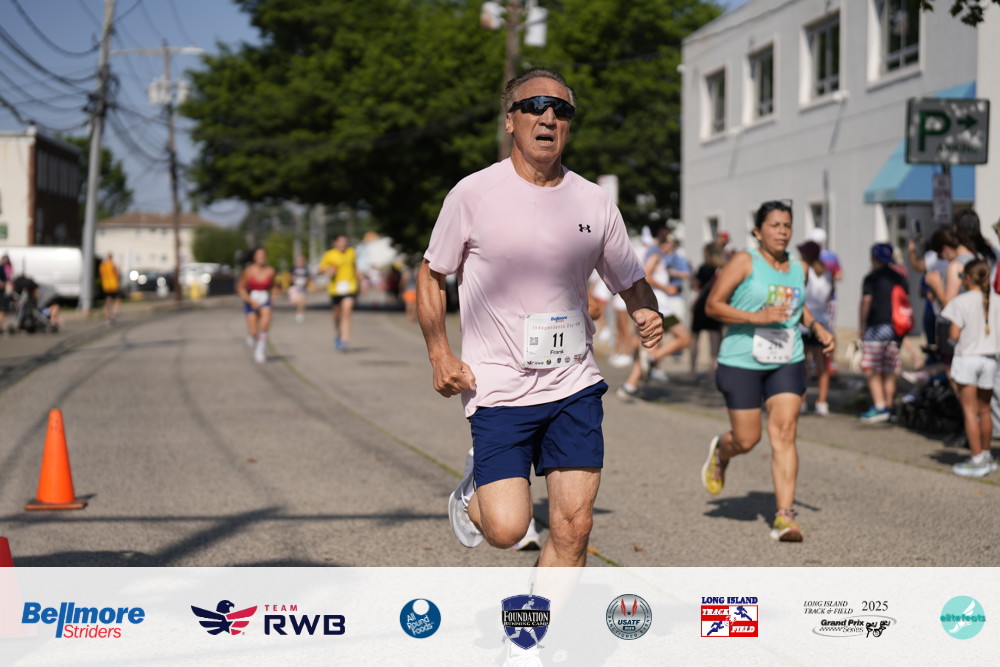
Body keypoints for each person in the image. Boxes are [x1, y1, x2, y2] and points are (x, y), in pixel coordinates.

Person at [417, 67, 663, 567]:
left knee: (574, 527)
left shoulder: (593, 201)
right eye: (533, 106)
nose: (548, 116)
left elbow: (630, 279)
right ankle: (474, 492)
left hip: (573, 382)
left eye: (561, 109)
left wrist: (645, 310)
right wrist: (440, 354)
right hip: (499, 386)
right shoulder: (473, 194)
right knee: (508, 529)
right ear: (510, 120)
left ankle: (537, 617)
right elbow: (431, 273)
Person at [702, 200, 834, 542]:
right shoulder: (744, 261)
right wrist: (756, 317)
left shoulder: (799, 266)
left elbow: (796, 306)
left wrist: (816, 326)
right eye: (775, 225)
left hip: (787, 356)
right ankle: (723, 450)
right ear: (758, 231)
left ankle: (784, 516)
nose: (782, 232)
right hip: (741, 359)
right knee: (747, 439)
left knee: (785, 432)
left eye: (787, 225)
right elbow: (713, 305)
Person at [940, 259, 999, 477]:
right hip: (990, 359)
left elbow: (953, 334)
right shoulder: (997, 300)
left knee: (969, 411)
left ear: (967, 278)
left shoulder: (961, 302)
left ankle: (976, 459)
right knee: (985, 410)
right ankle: (986, 455)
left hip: (967, 359)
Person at [617, 230, 693, 400]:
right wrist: (667, 288)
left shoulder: (655, 253)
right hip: (661, 308)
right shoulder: (656, 254)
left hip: (657, 306)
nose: (670, 246)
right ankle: (650, 361)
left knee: (650, 345)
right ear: (663, 242)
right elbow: (647, 276)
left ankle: (630, 386)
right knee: (684, 337)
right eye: (668, 242)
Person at [858, 243, 909, 423]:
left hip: (876, 327)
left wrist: (862, 325)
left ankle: (880, 406)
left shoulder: (871, 278)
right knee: (890, 369)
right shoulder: (899, 277)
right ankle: (889, 406)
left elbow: (866, 301)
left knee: (870, 368)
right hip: (896, 329)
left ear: (873, 258)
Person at [798, 241, 833, 415]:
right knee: (822, 366)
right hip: (822, 320)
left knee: (802, 365)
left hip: (805, 322)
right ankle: (822, 402)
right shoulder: (827, 274)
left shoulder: (805, 272)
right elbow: (828, 298)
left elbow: (800, 297)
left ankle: (802, 401)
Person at [689, 242, 725, 378]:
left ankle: (693, 370)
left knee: (695, 337)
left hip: (701, 304)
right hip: (715, 304)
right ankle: (713, 370)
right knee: (714, 338)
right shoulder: (722, 269)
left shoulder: (703, 268)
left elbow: (695, 286)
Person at [236, 247, 276, 364]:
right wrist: (250, 301)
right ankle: (253, 337)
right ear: (254, 257)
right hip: (251, 300)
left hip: (265, 300)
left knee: (264, 325)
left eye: (263, 255)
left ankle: (260, 350)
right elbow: (240, 288)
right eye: (259, 255)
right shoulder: (248, 271)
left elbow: (275, 286)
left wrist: (274, 296)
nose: (261, 257)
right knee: (254, 332)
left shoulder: (270, 271)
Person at [319, 235, 359, 351]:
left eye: (345, 242)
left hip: (350, 287)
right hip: (335, 289)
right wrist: (329, 270)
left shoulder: (351, 252)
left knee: (347, 311)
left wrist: (359, 281)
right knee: (337, 315)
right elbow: (320, 270)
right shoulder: (329, 254)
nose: (343, 244)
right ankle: (338, 333)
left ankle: (345, 340)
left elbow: (354, 267)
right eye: (340, 242)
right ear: (335, 243)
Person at [99, 252, 122, 325]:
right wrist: (119, 276)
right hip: (113, 285)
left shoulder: (103, 265)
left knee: (107, 301)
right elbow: (117, 275)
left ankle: (107, 317)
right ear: (111, 257)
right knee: (117, 300)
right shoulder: (113, 264)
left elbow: (101, 275)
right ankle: (114, 315)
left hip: (106, 286)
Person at [288, 254, 311, 323]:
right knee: (294, 301)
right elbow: (290, 277)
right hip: (294, 287)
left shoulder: (306, 269)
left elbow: (308, 278)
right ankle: (298, 310)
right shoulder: (293, 268)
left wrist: (307, 281)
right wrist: (292, 278)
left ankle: (300, 314)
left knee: (302, 301)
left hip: (302, 287)